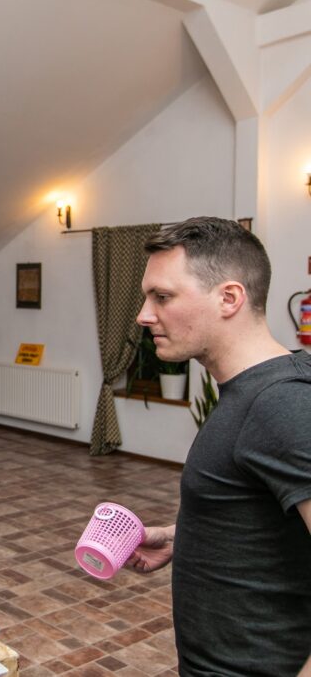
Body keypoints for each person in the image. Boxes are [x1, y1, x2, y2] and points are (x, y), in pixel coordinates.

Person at [124, 217, 311, 676]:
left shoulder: (282, 404)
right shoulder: (251, 392)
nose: (144, 315)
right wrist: (184, 535)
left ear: (229, 298)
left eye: (162, 297)